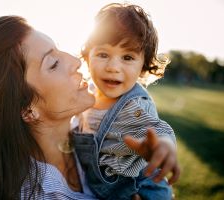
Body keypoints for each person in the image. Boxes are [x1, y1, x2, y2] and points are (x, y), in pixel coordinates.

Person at [0, 15, 175, 200]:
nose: (76, 61)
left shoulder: (92, 125)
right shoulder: (32, 194)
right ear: (27, 110)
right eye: (53, 63)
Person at [73, 3, 180, 200]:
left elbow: (157, 129)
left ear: (143, 67)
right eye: (103, 54)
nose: (113, 67)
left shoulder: (132, 106)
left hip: (142, 189)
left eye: (128, 57)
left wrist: (163, 146)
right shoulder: (86, 95)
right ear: (88, 58)